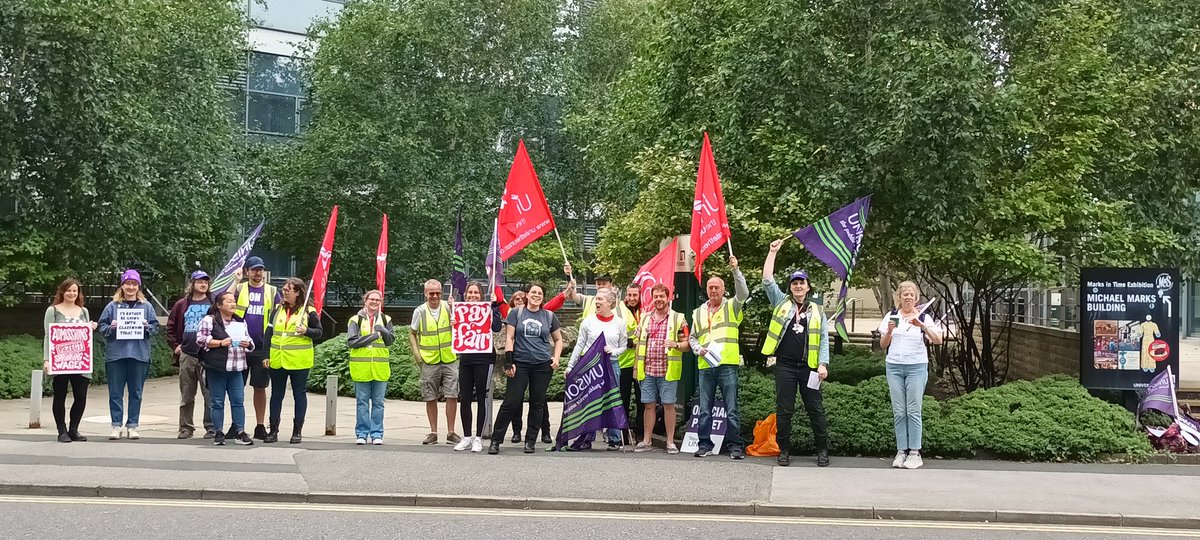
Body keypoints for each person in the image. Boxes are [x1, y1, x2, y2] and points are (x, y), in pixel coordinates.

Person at [762, 239, 831, 467]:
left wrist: (823, 364)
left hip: (810, 368)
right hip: (785, 366)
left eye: (801, 283)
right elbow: (767, 280)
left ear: (808, 287)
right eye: (794, 283)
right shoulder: (782, 302)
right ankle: (784, 450)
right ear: (790, 287)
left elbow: (823, 340)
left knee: (815, 409)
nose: (798, 286)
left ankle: (822, 450)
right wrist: (773, 253)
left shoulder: (817, 310)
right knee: (784, 409)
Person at [488, 283, 564, 454]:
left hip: (542, 365)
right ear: (527, 295)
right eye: (533, 292)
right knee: (511, 402)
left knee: (537, 403)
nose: (536, 295)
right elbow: (510, 337)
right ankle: (496, 440)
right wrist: (509, 361)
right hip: (520, 363)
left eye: (540, 293)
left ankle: (530, 441)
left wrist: (556, 357)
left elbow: (558, 339)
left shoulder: (549, 316)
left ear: (543, 297)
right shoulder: (516, 313)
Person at [687, 257, 749, 459]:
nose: (713, 290)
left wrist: (736, 271)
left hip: (727, 364)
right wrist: (697, 350)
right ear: (706, 290)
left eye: (717, 287)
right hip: (705, 365)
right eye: (710, 287)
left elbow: (744, 292)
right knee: (704, 408)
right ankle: (704, 444)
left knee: (731, 408)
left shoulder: (732, 306)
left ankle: (735, 445)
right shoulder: (698, 312)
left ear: (723, 290)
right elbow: (692, 337)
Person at [878, 280, 943, 469]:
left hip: (916, 366)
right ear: (899, 297)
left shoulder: (924, 317)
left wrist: (921, 325)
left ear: (916, 298)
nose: (908, 297)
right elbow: (883, 345)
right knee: (899, 411)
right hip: (894, 367)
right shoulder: (892, 316)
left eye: (911, 295)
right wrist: (889, 331)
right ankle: (901, 451)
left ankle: (915, 452)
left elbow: (938, 340)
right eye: (904, 294)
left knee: (913, 410)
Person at [97, 269, 158, 441]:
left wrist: (147, 326)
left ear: (138, 286)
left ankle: (133, 425)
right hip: (116, 355)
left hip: (138, 355)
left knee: (136, 392)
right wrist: (112, 327)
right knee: (115, 392)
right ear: (122, 285)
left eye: (134, 284)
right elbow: (102, 327)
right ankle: (116, 425)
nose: (131, 287)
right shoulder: (112, 306)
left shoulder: (146, 306)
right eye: (128, 283)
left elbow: (155, 328)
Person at [564, 287, 628, 451]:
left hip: (611, 365)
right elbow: (580, 344)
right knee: (589, 401)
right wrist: (570, 366)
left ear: (610, 303)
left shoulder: (620, 323)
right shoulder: (589, 321)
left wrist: (614, 352)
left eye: (600, 299)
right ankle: (586, 437)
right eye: (596, 299)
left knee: (612, 400)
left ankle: (614, 439)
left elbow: (624, 346)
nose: (596, 302)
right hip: (591, 366)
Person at [634, 284, 689, 454]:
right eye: (655, 296)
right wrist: (636, 367)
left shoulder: (679, 318)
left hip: (668, 370)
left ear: (668, 298)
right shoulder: (644, 318)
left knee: (668, 405)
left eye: (661, 296)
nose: (658, 299)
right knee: (648, 406)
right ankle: (646, 441)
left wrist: (676, 344)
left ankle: (670, 442)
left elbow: (688, 344)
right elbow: (638, 344)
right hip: (648, 369)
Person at [265, 277, 321, 444]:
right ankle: (273, 430)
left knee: (299, 395)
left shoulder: (309, 311)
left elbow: (319, 332)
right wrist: (265, 355)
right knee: (276, 395)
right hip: (278, 360)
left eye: (287, 290)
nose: (284, 293)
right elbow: (269, 334)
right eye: (283, 290)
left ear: (297, 292)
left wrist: (306, 330)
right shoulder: (277, 310)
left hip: (299, 361)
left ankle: (297, 431)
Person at [195, 292, 255, 446]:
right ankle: (218, 432)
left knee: (238, 401)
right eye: (228, 301)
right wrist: (220, 342)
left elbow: (249, 339)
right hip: (217, 368)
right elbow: (201, 340)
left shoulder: (239, 321)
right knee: (217, 402)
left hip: (236, 368)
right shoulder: (210, 320)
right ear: (219, 305)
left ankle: (240, 431)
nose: (233, 304)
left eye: (234, 301)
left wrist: (247, 344)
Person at [42, 278, 96, 443]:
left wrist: (91, 328)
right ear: (62, 292)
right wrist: (46, 360)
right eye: (69, 290)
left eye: (75, 291)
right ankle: (61, 431)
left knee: (81, 396)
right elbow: (47, 336)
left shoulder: (83, 311)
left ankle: (74, 429)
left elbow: (85, 337)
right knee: (60, 396)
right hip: (60, 362)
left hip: (80, 361)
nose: (72, 294)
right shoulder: (53, 311)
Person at [409, 279, 460, 446]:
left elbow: (461, 327)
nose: (435, 296)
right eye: (431, 293)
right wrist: (417, 355)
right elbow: (412, 333)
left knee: (452, 395)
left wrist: (455, 314)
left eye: (438, 293)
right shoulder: (420, 311)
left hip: (449, 357)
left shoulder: (448, 307)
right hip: (429, 360)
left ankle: (451, 432)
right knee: (430, 397)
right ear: (425, 293)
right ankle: (433, 432)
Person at [454, 282, 503, 452]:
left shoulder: (488, 308)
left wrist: (495, 306)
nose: (473, 295)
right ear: (465, 295)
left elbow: (496, 327)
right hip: (466, 358)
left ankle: (478, 438)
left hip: (484, 358)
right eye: (470, 292)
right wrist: (453, 319)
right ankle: (467, 436)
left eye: (476, 293)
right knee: (465, 397)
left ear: (481, 296)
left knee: (482, 397)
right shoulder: (459, 310)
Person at [234, 256, 279, 440]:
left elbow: (277, 316)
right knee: (237, 388)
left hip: (261, 347)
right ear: (247, 272)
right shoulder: (240, 288)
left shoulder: (272, 291)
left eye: (260, 269)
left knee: (260, 387)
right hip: (240, 345)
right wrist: (235, 281)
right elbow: (223, 303)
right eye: (254, 269)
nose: (257, 273)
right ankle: (237, 425)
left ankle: (260, 425)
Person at [166, 270, 214, 439]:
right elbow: (170, 326)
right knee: (187, 393)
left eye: (206, 282)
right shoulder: (182, 304)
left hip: (208, 355)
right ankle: (186, 427)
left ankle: (211, 427)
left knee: (209, 393)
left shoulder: (213, 303)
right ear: (192, 284)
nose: (203, 284)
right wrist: (175, 346)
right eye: (200, 281)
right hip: (187, 353)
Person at [347, 289, 395, 445]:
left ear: (381, 303)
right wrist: (374, 336)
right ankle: (361, 433)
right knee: (362, 402)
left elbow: (390, 341)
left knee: (378, 403)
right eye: (371, 299)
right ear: (365, 300)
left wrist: (384, 331)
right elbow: (352, 342)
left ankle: (377, 434)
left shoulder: (386, 319)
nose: (374, 302)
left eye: (378, 300)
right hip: (361, 368)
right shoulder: (356, 320)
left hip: (380, 368)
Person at [618, 284, 644, 444]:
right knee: (623, 401)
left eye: (635, 295)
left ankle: (640, 434)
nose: (633, 298)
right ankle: (623, 437)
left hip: (641, 363)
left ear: (640, 295)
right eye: (630, 295)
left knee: (643, 401)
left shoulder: (645, 311)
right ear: (626, 296)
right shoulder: (619, 311)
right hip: (623, 364)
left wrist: (635, 343)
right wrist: (633, 343)